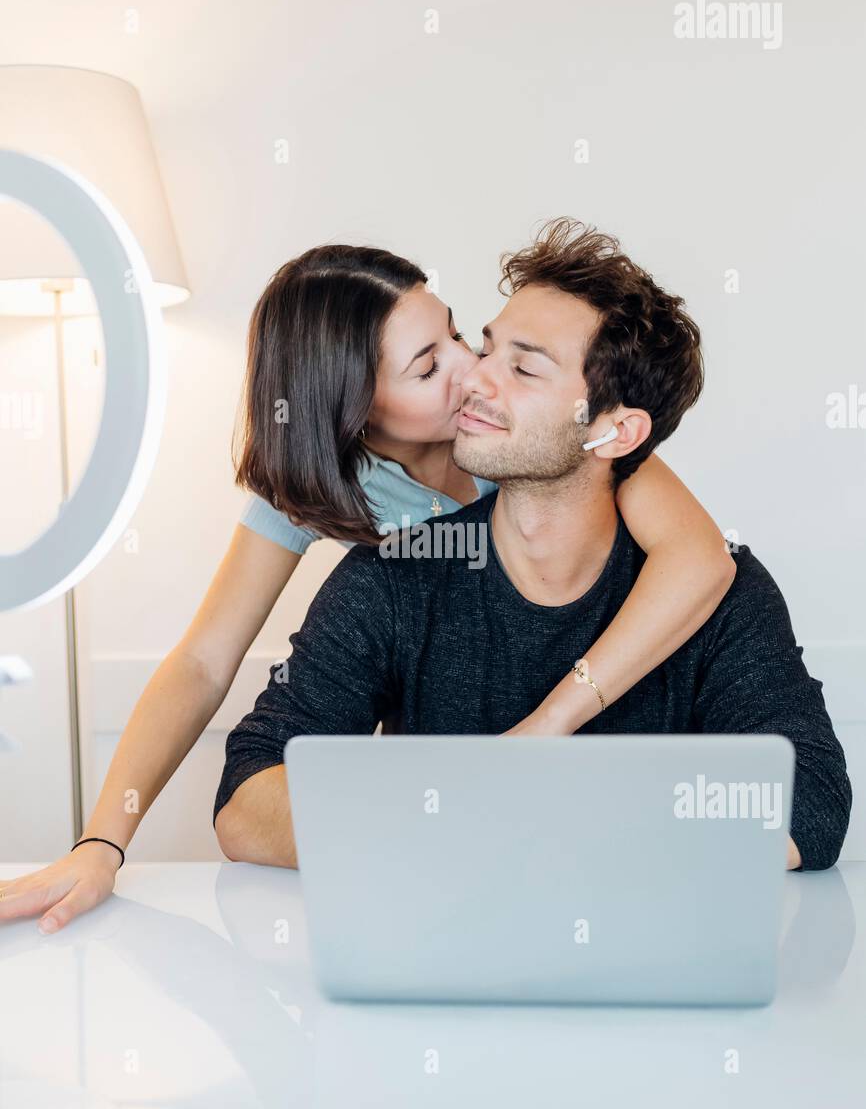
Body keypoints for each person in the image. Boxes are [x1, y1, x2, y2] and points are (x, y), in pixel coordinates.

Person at [0, 234, 736, 934]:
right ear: (356, 409)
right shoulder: (332, 493)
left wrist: (546, 730)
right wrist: (103, 841)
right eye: (426, 367)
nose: (470, 368)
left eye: (457, 334)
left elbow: (701, 560)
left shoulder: (536, 439)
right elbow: (202, 662)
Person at [212, 220, 852, 873]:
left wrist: (555, 835)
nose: (475, 379)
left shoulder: (725, 593)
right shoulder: (392, 577)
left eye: (523, 367)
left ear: (615, 432)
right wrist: (459, 824)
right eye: (486, 350)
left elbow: (810, 806)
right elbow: (248, 798)